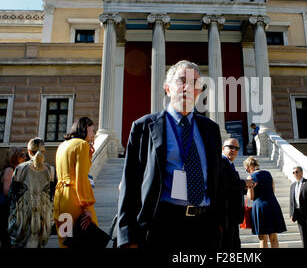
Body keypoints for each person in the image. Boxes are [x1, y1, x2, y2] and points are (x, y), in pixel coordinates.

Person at [117, 60, 225, 249]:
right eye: (182, 80)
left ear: (200, 92)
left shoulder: (211, 129)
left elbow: (218, 180)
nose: (187, 87)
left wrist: (221, 224)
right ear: (167, 88)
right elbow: (130, 182)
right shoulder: (144, 127)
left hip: (204, 227)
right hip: (163, 225)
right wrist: (127, 236)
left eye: (194, 83)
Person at [53, 117, 97, 247]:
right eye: (92, 130)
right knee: (90, 240)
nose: (93, 134)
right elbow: (81, 178)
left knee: (65, 240)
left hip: (60, 199)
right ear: (85, 128)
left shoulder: (62, 145)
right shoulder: (82, 145)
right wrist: (87, 206)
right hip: (75, 200)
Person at [8, 138, 55, 248]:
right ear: (44, 152)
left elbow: (12, 195)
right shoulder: (51, 170)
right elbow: (54, 195)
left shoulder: (20, 168)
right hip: (43, 219)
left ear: (29, 152)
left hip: (23, 218)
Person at [244, 156, 286, 248]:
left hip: (260, 207)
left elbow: (251, 197)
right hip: (273, 204)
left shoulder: (250, 176)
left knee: (263, 238)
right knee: (273, 237)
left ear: (250, 166)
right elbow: (273, 191)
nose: (247, 171)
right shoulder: (268, 174)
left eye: (247, 169)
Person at [221, 138, 255, 248]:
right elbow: (225, 183)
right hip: (225, 214)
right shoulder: (222, 162)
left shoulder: (230, 164)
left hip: (232, 215)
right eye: (231, 147)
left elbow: (233, 187)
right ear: (223, 148)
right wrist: (244, 183)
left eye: (237, 148)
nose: (234, 150)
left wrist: (247, 186)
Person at [0, 147, 27, 248]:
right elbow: (7, 191)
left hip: (8, 213)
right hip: (5, 214)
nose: (25, 158)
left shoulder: (16, 170)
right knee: (8, 243)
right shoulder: (9, 170)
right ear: (14, 156)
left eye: (25, 155)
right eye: (22, 155)